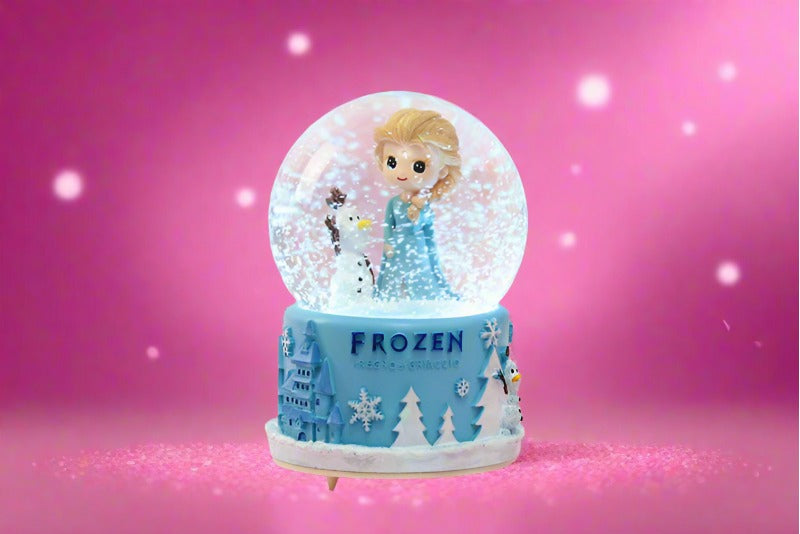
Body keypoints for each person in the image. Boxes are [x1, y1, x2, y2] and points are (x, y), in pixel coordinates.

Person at [373, 109, 461, 300]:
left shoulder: (424, 205)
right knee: (393, 278)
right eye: (392, 162)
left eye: (418, 166)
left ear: (443, 170)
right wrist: (388, 242)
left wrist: (419, 211)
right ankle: (393, 299)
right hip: (396, 246)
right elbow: (388, 225)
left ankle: (421, 300)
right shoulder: (393, 203)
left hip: (417, 247)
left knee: (419, 276)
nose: (401, 173)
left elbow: (427, 230)